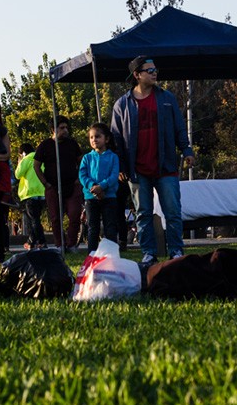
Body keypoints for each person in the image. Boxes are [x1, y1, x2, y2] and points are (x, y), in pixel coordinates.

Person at [110, 56, 195, 264]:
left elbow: (179, 127)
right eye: (149, 70)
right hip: (136, 169)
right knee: (143, 214)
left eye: (155, 69)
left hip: (165, 166)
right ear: (137, 75)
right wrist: (120, 165)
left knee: (173, 212)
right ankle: (149, 253)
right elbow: (116, 138)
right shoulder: (122, 104)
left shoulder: (167, 98)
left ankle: (176, 251)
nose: (155, 72)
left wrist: (187, 150)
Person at [33, 115, 84, 252]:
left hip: (72, 186)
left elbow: (82, 162)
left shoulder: (72, 144)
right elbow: (36, 166)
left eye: (66, 127)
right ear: (53, 129)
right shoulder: (45, 145)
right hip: (53, 187)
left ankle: (71, 244)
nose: (65, 130)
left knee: (74, 215)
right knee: (55, 218)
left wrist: (79, 180)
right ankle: (59, 244)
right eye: (62, 128)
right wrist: (45, 183)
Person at [79, 123, 121, 252]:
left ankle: (111, 254)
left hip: (109, 197)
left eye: (97, 136)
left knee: (110, 227)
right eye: (91, 137)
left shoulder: (113, 157)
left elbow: (114, 176)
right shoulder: (87, 158)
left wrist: (102, 186)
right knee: (93, 227)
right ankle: (92, 255)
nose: (94, 140)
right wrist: (92, 186)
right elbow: (82, 174)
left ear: (106, 139)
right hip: (91, 198)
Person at [15, 142, 47, 250]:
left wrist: (20, 162)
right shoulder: (40, 158)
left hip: (30, 193)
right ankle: (31, 241)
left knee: (34, 220)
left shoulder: (27, 159)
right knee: (35, 218)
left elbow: (18, 174)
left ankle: (41, 241)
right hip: (41, 193)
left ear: (22, 153)